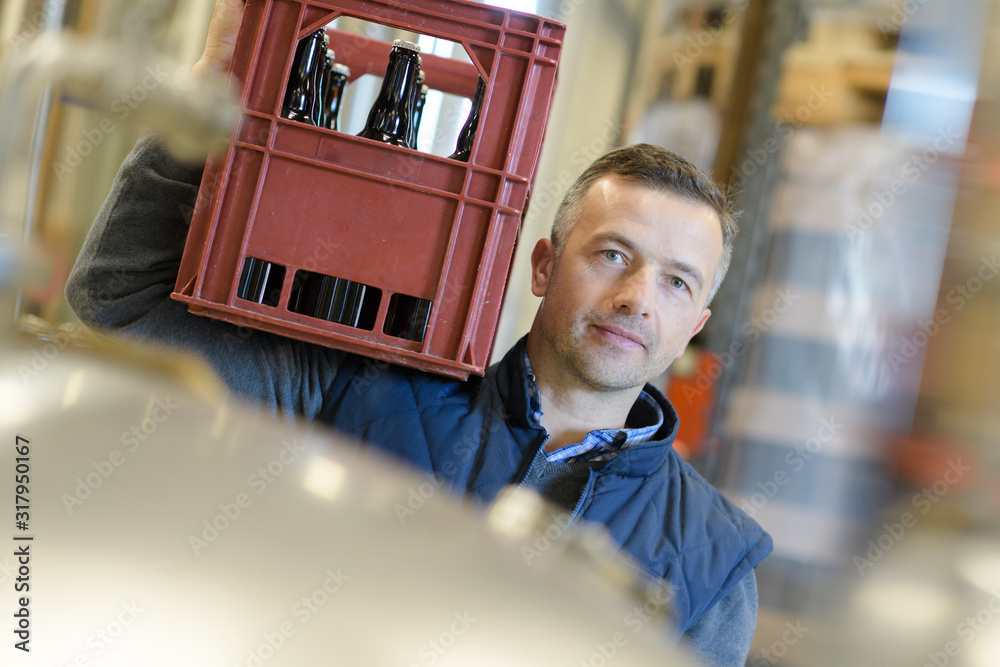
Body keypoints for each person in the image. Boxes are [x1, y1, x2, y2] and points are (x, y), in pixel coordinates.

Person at [66, 1, 772, 664]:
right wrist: (211, 98)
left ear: (694, 326)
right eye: (612, 254)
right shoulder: (360, 382)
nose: (636, 299)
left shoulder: (713, 562)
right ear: (543, 265)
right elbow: (121, 298)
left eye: (676, 282)